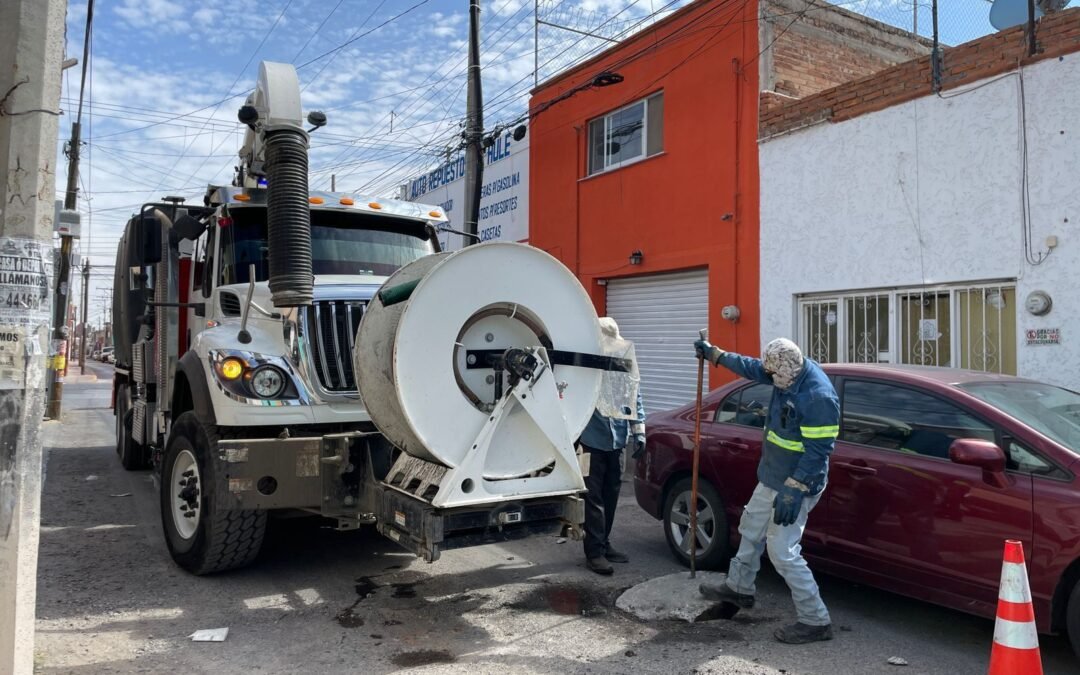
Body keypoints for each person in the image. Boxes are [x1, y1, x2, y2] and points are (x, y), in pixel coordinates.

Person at [693, 337, 839, 645]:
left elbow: (818, 451)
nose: (770, 379)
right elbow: (751, 367)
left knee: (783, 553)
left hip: (796, 484)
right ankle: (739, 588)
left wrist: (795, 488)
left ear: (788, 371)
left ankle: (815, 620)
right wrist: (716, 355)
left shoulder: (817, 397)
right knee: (750, 529)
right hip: (772, 476)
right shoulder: (784, 372)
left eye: (774, 375)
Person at [578, 318, 646, 575]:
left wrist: (639, 431)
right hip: (590, 442)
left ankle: (604, 544)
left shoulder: (621, 363)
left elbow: (635, 394)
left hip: (616, 440)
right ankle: (593, 552)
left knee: (610, 496)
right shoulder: (586, 363)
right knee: (593, 499)